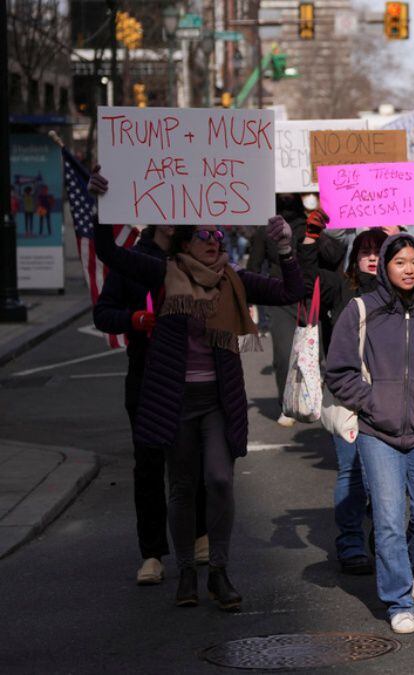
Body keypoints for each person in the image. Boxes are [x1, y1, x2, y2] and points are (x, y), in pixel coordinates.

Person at [89, 168, 305, 612]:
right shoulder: (163, 273)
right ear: (186, 242)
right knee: (182, 487)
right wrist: (100, 204)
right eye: (205, 234)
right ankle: (187, 571)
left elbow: (292, 291)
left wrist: (285, 248)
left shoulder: (235, 279)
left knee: (221, 480)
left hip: (217, 402)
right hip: (175, 400)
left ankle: (219, 572)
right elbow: (108, 249)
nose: (215, 240)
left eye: (219, 234)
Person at [325, 232, 414, 635]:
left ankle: (413, 565)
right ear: (385, 266)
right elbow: (340, 371)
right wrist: (371, 403)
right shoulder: (360, 309)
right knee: (386, 519)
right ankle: (398, 599)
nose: (408, 269)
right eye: (399, 262)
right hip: (376, 432)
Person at [93, 224, 208, 585]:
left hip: (191, 374)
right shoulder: (133, 260)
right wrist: (134, 319)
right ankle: (153, 553)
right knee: (148, 463)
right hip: (147, 372)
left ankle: (200, 532)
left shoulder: (193, 255)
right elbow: (104, 313)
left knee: (194, 457)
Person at [248, 194, 308, 428]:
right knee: (284, 355)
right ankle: (287, 404)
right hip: (280, 299)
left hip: (311, 297)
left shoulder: (310, 226)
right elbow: (253, 265)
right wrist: (248, 297)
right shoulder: (267, 230)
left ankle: (314, 398)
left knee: (318, 356)